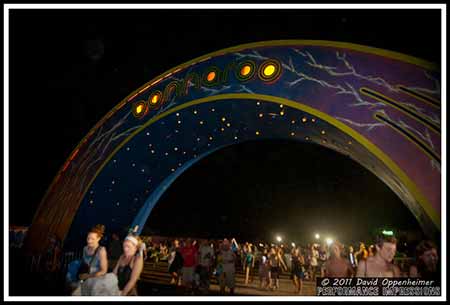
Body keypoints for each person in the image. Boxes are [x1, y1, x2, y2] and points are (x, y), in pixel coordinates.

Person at [72, 224, 109, 296]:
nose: (89, 241)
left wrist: (88, 276)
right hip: (84, 278)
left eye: (92, 239)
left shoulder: (101, 250)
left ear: (98, 239)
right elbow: (84, 264)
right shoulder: (85, 248)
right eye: (88, 238)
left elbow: (104, 271)